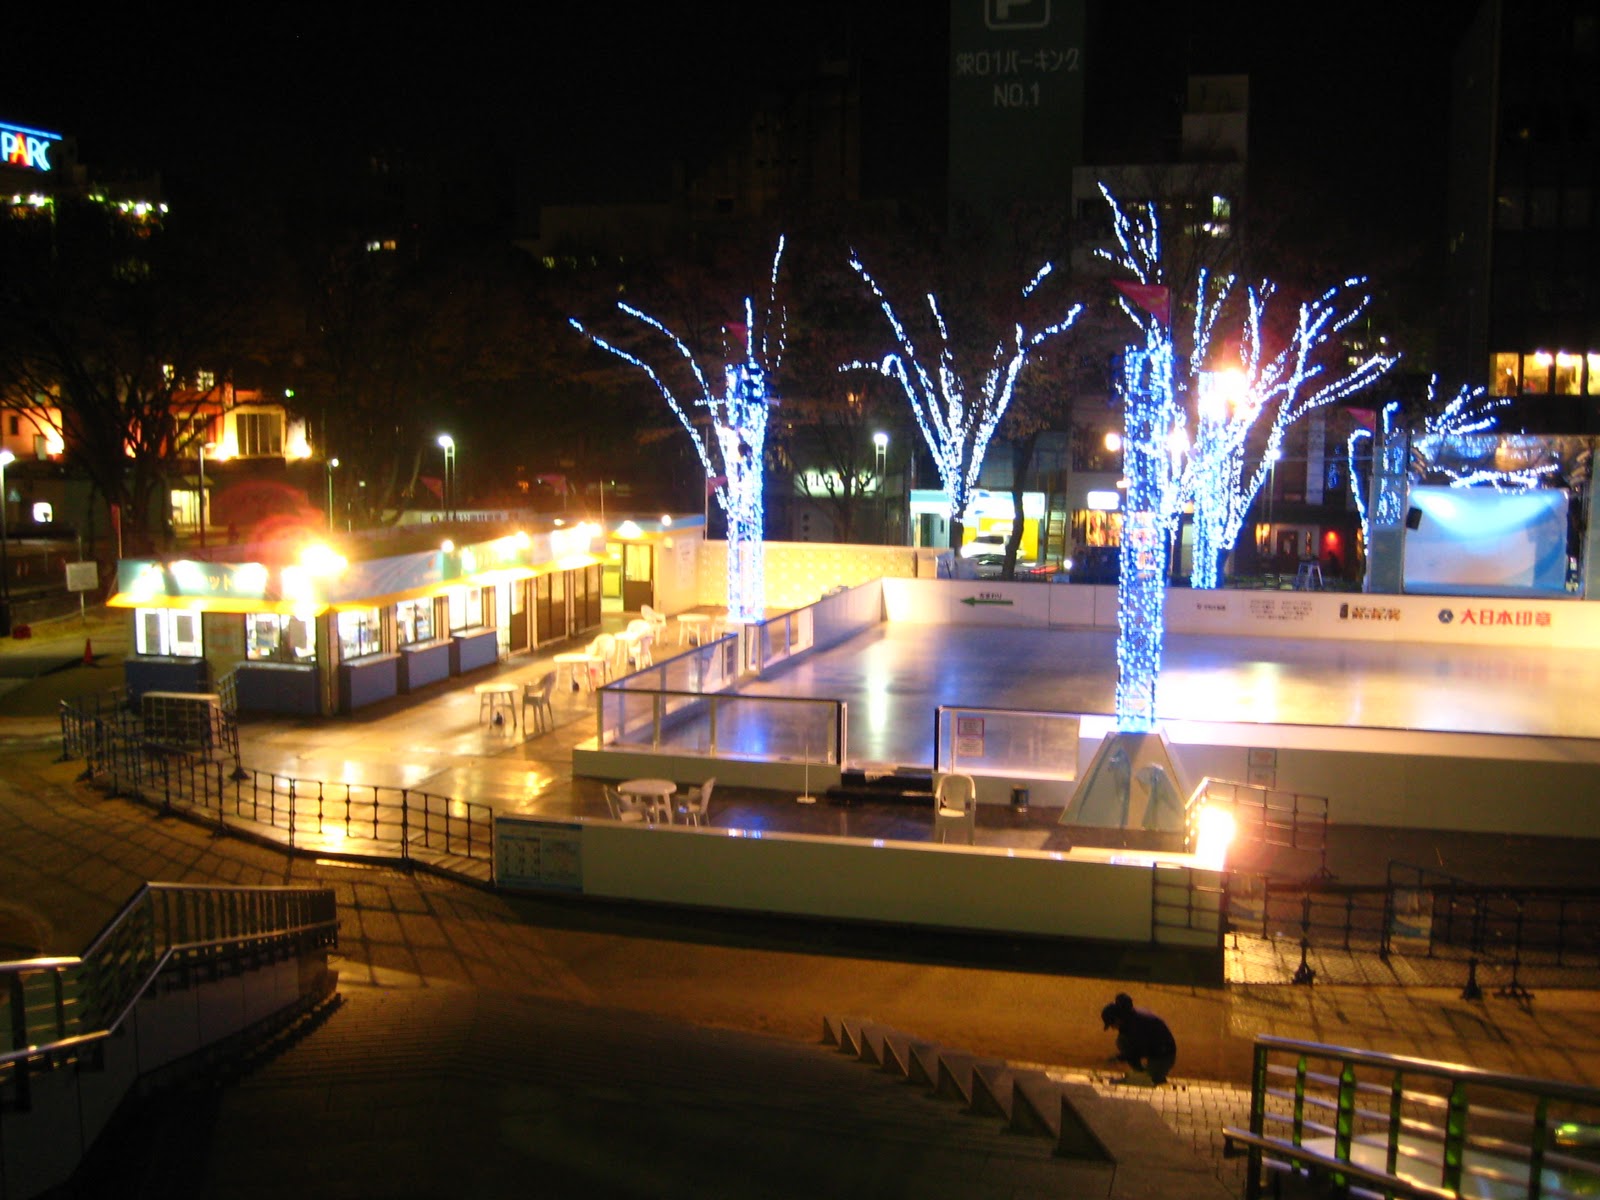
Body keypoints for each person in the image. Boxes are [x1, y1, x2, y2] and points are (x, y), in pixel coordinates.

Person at [1101, 992, 1176, 1084]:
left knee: (1147, 1082)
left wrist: (1118, 1058)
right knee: (1122, 1042)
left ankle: (1153, 1075)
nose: (1112, 1028)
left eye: (1112, 1024)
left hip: (1164, 1055)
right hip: (1155, 1050)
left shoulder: (1135, 1025)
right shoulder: (1130, 1019)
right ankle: (1144, 1073)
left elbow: (1138, 1051)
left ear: (1117, 1019)